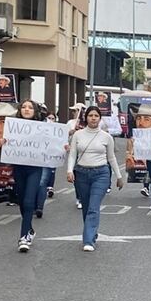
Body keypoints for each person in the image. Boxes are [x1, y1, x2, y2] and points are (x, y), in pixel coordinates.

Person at [67, 105, 124, 251]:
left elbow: (111, 158)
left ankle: (88, 241)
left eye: (96, 116)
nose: (93, 118)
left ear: (100, 118)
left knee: (93, 206)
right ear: (86, 118)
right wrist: (69, 171)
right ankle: (92, 232)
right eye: (90, 115)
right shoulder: (78, 135)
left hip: (101, 174)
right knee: (86, 207)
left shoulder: (106, 137)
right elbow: (73, 154)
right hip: (81, 173)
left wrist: (119, 176)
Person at [8, 99, 44, 252]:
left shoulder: (43, 128)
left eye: (30, 107)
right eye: (24, 107)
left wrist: (62, 147)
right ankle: (29, 229)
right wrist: (4, 142)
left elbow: (52, 144)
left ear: (35, 111)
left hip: (35, 168)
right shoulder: (12, 127)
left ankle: (23, 238)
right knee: (22, 201)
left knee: (29, 201)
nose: (27, 109)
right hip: (19, 167)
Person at [35, 111, 59, 218]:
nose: (50, 120)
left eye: (52, 118)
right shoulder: (34, 127)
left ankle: (39, 207)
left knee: (42, 182)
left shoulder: (56, 130)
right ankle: (32, 204)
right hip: (31, 158)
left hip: (46, 158)